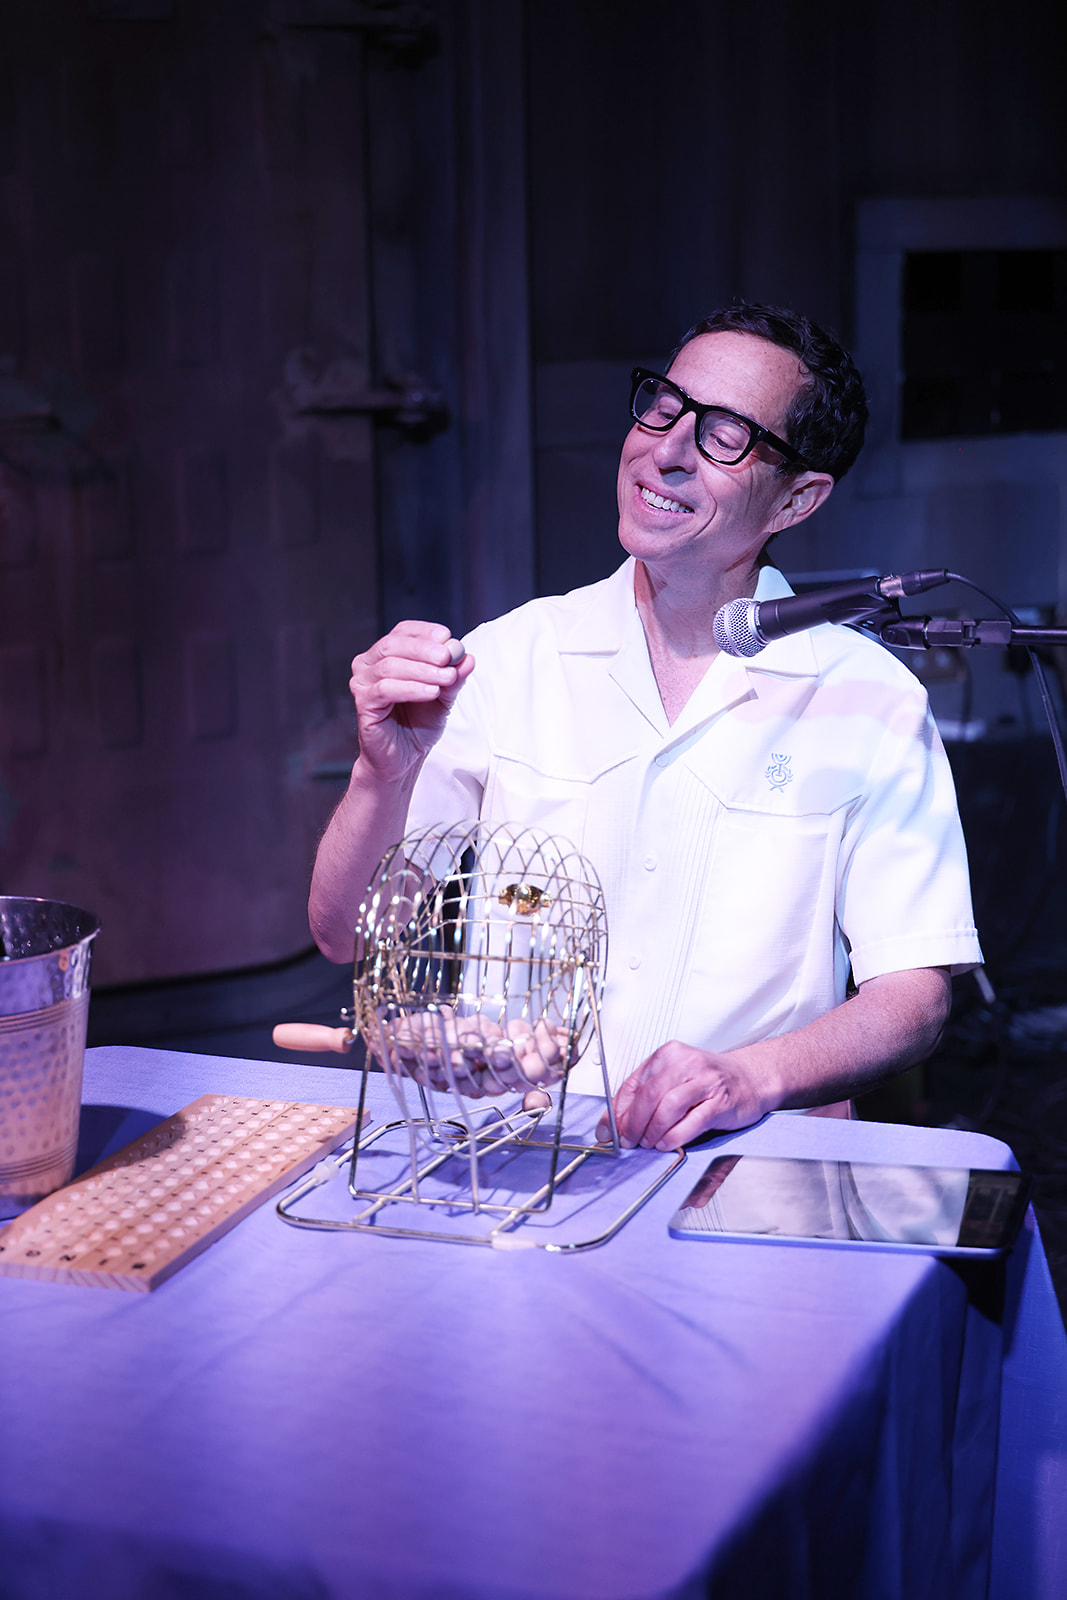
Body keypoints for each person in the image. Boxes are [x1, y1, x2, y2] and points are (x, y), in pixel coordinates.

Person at [309, 302, 982, 1150]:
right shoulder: (511, 657)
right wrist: (381, 772)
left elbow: (913, 997)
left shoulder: (866, 697)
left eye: (724, 435)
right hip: (512, 1153)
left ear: (797, 498)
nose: (666, 450)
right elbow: (345, 934)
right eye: (663, 407)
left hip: (738, 1159)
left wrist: (752, 1076)